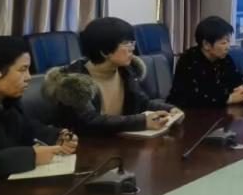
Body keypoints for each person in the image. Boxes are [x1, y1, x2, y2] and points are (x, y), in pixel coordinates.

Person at [43, 17, 183, 135]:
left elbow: (141, 103)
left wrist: (169, 110)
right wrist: (142, 121)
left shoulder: (126, 71)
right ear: (105, 52)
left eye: (132, 42)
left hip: (120, 142)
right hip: (86, 148)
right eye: (126, 44)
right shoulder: (73, 82)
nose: (132, 48)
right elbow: (90, 122)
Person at [0, 37, 78, 180]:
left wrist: (56, 136)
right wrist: (30, 156)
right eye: (22, 70)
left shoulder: (8, 101)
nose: (29, 77)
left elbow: (27, 128)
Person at [167, 16, 243, 108]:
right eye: (223, 43)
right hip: (186, 112)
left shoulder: (225, 59)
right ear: (206, 44)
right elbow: (194, 97)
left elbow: (239, 80)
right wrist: (229, 98)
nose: (227, 47)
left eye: (228, 42)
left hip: (219, 111)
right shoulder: (188, 61)